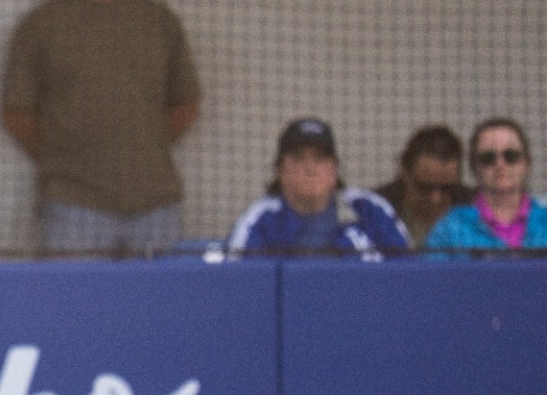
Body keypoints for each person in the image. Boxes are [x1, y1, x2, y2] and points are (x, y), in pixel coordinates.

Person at [1, 0, 202, 256]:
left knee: (159, 310)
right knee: (75, 310)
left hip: (156, 205)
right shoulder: (42, 24)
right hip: (72, 207)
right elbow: (17, 113)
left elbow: (186, 103)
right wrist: (65, 160)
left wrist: (145, 147)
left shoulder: (158, 21)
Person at [225, 118, 409, 259]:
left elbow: (408, 273)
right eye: (298, 158)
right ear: (279, 170)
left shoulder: (370, 209)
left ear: (335, 169)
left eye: (320, 158)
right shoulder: (259, 220)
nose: (310, 168)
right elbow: (236, 282)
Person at [425, 117, 547, 254]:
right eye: (488, 158)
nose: (500, 165)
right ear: (474, 166)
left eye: (510, 156)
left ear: (526, 162)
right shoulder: (450, 229)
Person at [373, 125, 472, 249]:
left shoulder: (477, 211)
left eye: (447, 189)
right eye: (425, 188)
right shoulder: (374, 211)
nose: (435, 199)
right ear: (404, 172)